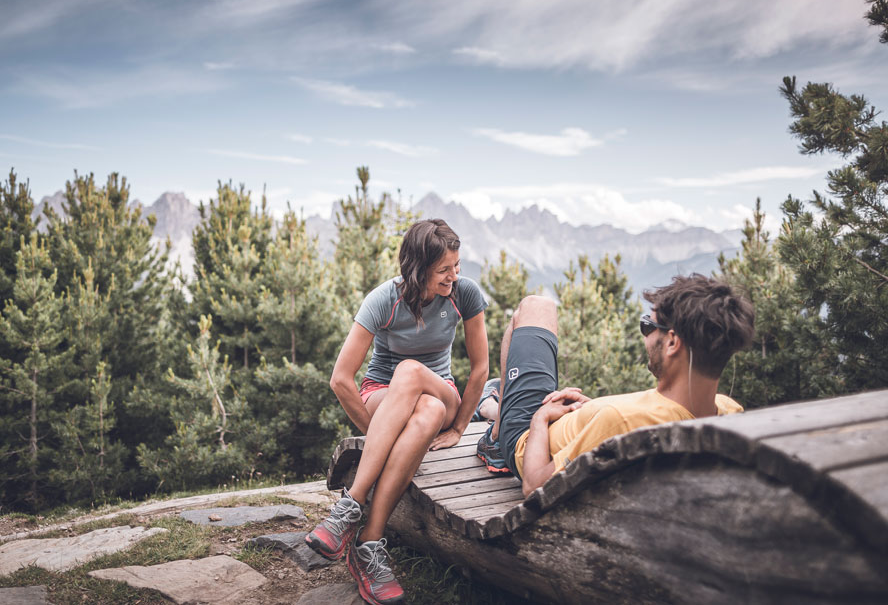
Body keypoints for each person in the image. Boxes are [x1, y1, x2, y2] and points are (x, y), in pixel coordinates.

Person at [306, 218, 489, 605]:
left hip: (443, 393)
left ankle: (347, 508)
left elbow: (480, 369)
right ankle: (369, 545)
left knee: (410, 373)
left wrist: (458, 428)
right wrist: (384, 432)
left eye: (457, 266)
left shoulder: (465, 294)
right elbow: (341, 379)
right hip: (386, 396)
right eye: (444, 270)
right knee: (421, 412)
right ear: (418, 268)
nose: (454, 276)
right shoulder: (383, 299)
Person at [477, 274, 754, 496]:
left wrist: (540, 418)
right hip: (575, 421)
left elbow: (534, 484)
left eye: (648, 326)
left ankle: (496, 429)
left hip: (527, 438)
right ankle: (492, 401)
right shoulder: (728, 411)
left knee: (536, 306)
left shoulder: (620, 422)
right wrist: (589, 413)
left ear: (672, 343)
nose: (645, 338)